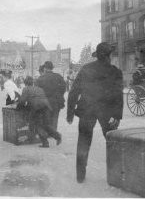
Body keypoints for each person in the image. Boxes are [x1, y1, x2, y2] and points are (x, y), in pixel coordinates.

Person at [67, 42, 123, 183]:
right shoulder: (115, 71)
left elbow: (74, 91)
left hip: (87, 110)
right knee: (113, 143)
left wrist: (70, 112)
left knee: (83, 143)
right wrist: (117, 116)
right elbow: (118, 96)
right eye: (111, 54)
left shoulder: (86, 69)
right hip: (108, 113)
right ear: (108, 56)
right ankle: (115, 176)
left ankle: (80, 176)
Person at [18, 76, 62, 148]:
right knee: (46, 125)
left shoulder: (26, 89)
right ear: (32, 83)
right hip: (46, 107)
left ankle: (44, 143)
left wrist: (18, 108)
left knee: (37, 124)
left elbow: (22, 101)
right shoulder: (39, 89)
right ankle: (57, 136)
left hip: (36, 108)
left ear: (25, 83)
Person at [36, 61, 66, 132]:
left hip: (45, 102)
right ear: (52, 68)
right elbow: (64, 88)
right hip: (56, 101)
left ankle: (47, 132)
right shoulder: (58, 76)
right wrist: (59, 94)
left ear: (45, 68)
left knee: (46, 117)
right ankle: (54, 132)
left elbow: (37, 91)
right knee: (55, 117)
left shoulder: (40, 78)